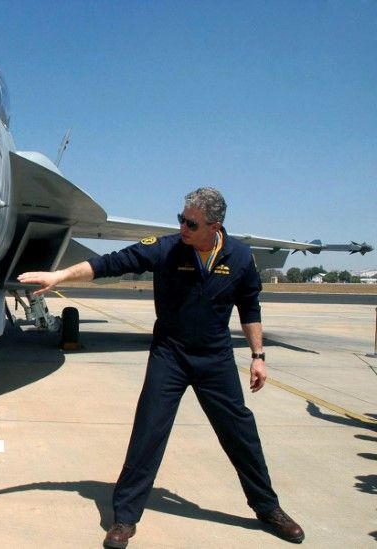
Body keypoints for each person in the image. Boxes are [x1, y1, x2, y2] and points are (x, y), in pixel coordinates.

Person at [18, 188, 304, 548]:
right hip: (170, 355)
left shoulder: (240, 257)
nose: (182, 227)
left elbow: (250, 307)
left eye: (191, 223)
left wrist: (258, 356)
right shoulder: (166, 249)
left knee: (240, 432)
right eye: (181, 219)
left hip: (215, 359)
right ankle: (124, 518)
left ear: (215, 226)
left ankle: (268, 508)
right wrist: (60, 276)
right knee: (148, 432)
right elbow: (111, 263)